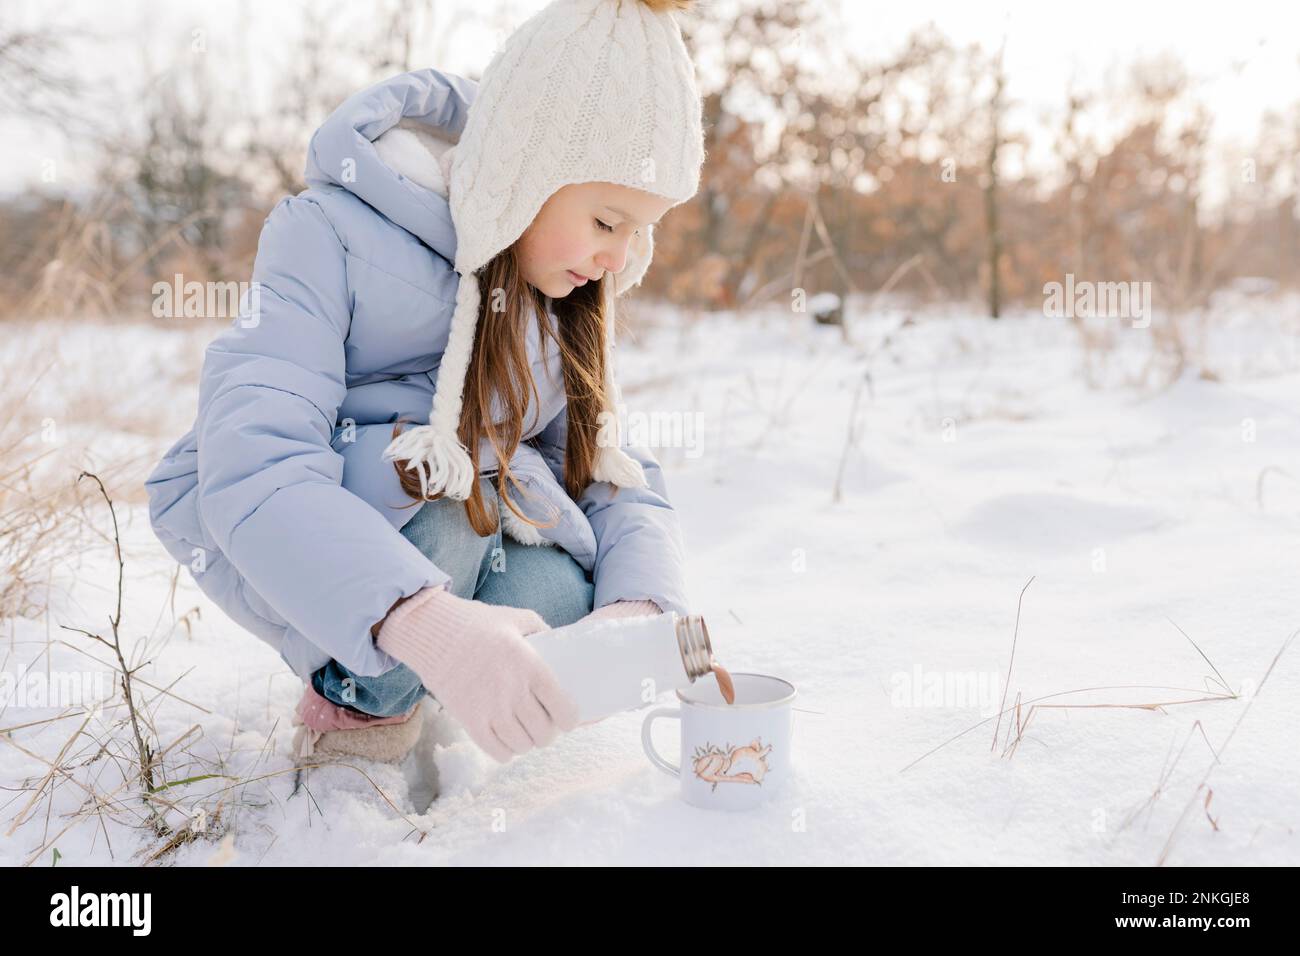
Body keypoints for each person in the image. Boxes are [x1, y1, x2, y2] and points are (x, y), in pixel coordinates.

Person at [143, 0, 706, 767]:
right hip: (306, 535)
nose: (621, 258)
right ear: (523, 171)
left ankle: (442, 668)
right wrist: (427, 626)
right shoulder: (324, 234)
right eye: (609, 223)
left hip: (459, 543)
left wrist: (637, 613)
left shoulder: (553, 290)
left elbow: (614, 472)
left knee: (565, 598)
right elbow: (254, 462)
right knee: (444, 507)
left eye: (644, 229)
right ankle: (358, 703)